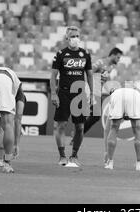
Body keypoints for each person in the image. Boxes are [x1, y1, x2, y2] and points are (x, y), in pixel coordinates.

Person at [50, 26, 93, 167]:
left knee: (80, 127)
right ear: (67, 38)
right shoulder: (61, 54)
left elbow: (90, 75)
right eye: (72, 36)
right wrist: (54, 94)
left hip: (79, 94)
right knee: (60, 125)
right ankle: (62, 156)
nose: (75, 38)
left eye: (77, 36)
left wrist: (92, 94)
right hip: (64, 92)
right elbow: (53, 76)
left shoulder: (85, 54)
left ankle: (74, 155)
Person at [103, 87, 140, 170]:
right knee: (137, 130)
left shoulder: (114, 95)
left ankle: (110, 162)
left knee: (113, 128)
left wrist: (106, 151)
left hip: (119, 96)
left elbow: (107, 129)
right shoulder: (136, 93)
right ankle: (139, 164)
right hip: (134, 96)